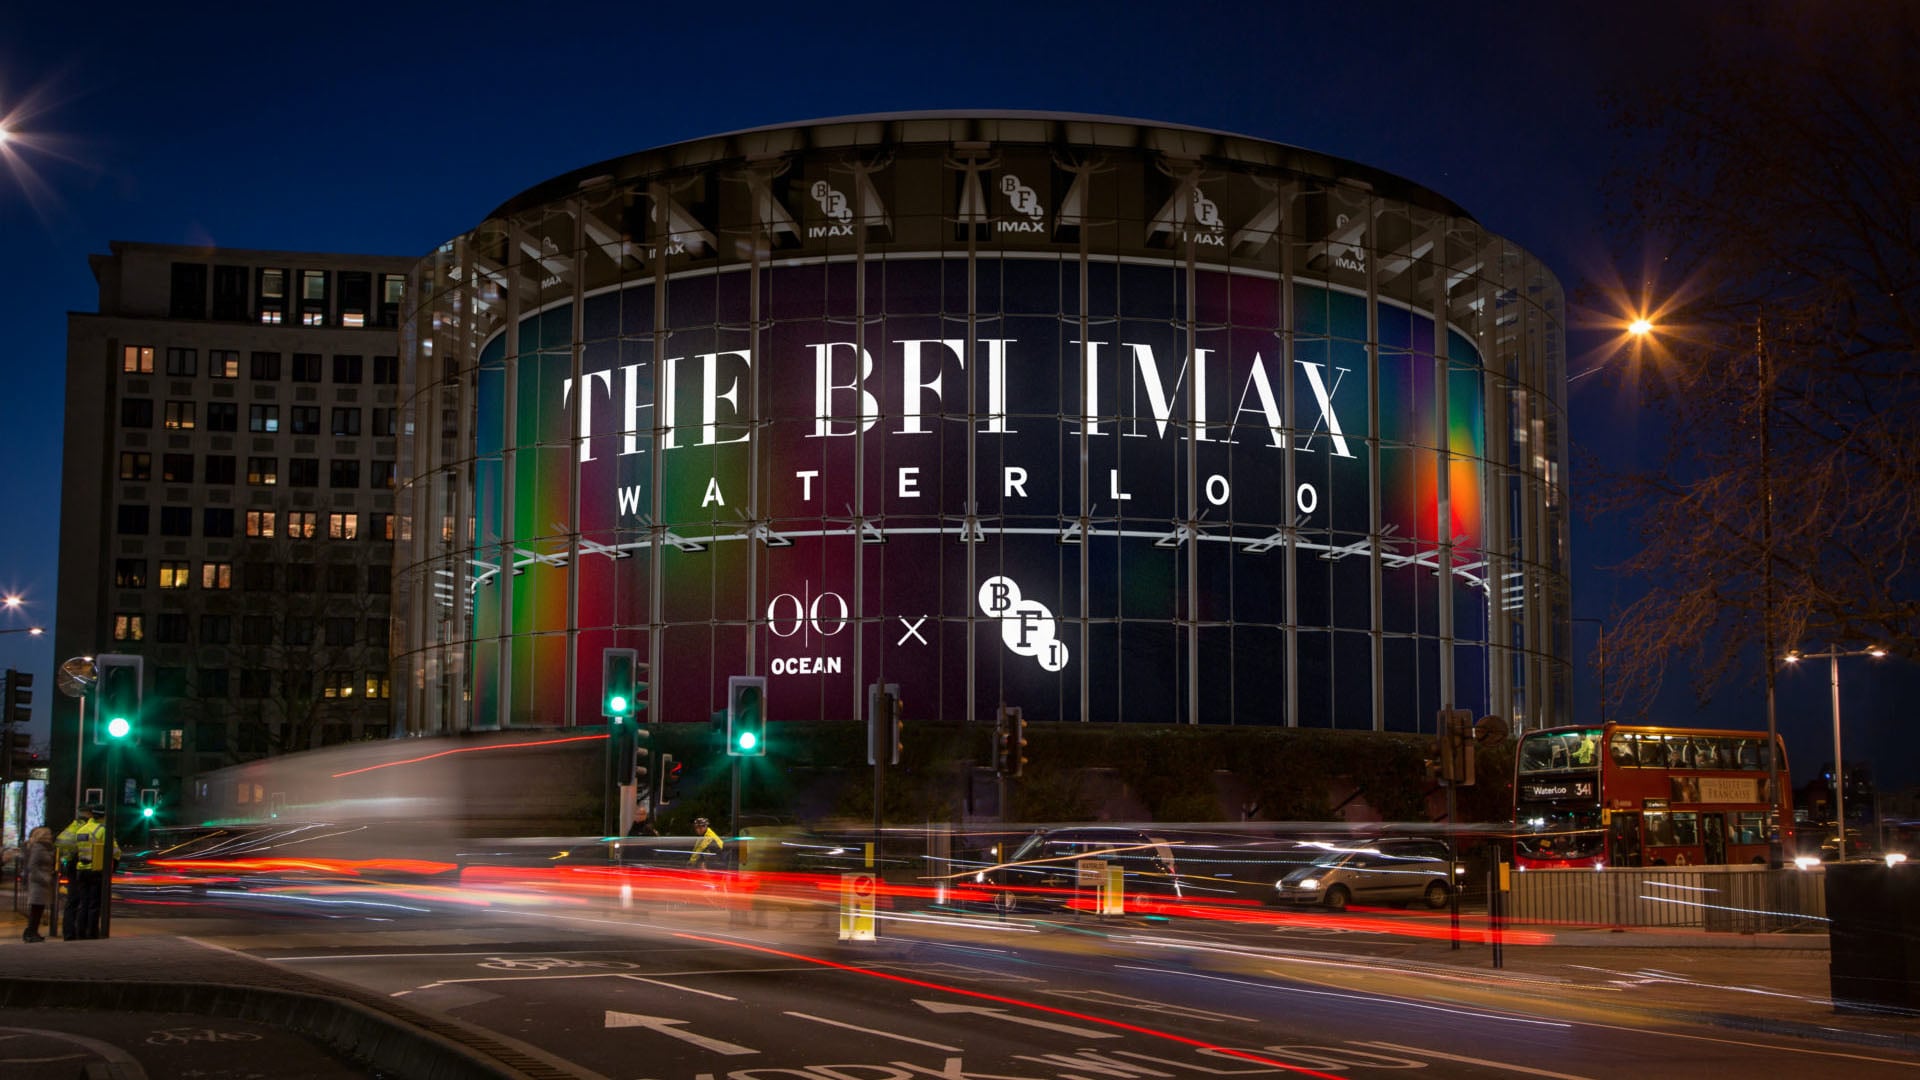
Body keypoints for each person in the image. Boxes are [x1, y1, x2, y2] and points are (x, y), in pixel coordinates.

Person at [56, 805, 118, 940]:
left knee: (79, 902)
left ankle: (73, 932)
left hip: (78, 868)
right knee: (92, 903)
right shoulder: (100, 829)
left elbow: (63, 845)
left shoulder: (77, 828)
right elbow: (115, 851)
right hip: (93, 869)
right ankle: (90, 932)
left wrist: (65, 860)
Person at [22, 826, 56, 942]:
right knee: (36, 908)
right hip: (38, 883)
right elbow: (33, 866)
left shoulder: (46, 848)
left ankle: (33, 931)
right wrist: (44, 878)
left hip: (42, 882)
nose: (51, 836)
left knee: (39, 908)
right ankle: (31, 932)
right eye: (48, 834)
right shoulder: (38, 848)